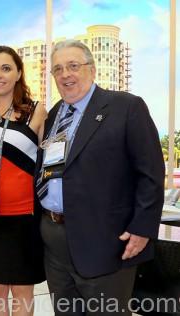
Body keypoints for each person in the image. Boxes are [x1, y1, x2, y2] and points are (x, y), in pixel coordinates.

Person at [35, 39, 164, 315]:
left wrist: (142, 228)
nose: (65, 74)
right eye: (58, 69)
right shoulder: (55, 114)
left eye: (73, 66)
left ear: (92, 70)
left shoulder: (126, 107)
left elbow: (151, 173)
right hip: (55, 240)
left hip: (106, 241)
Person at [0, 46, 46, 315]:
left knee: (22, 292)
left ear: (18, 73)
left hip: (26, 217)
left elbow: (48, 164)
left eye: (6, 68)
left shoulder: (37, 111)